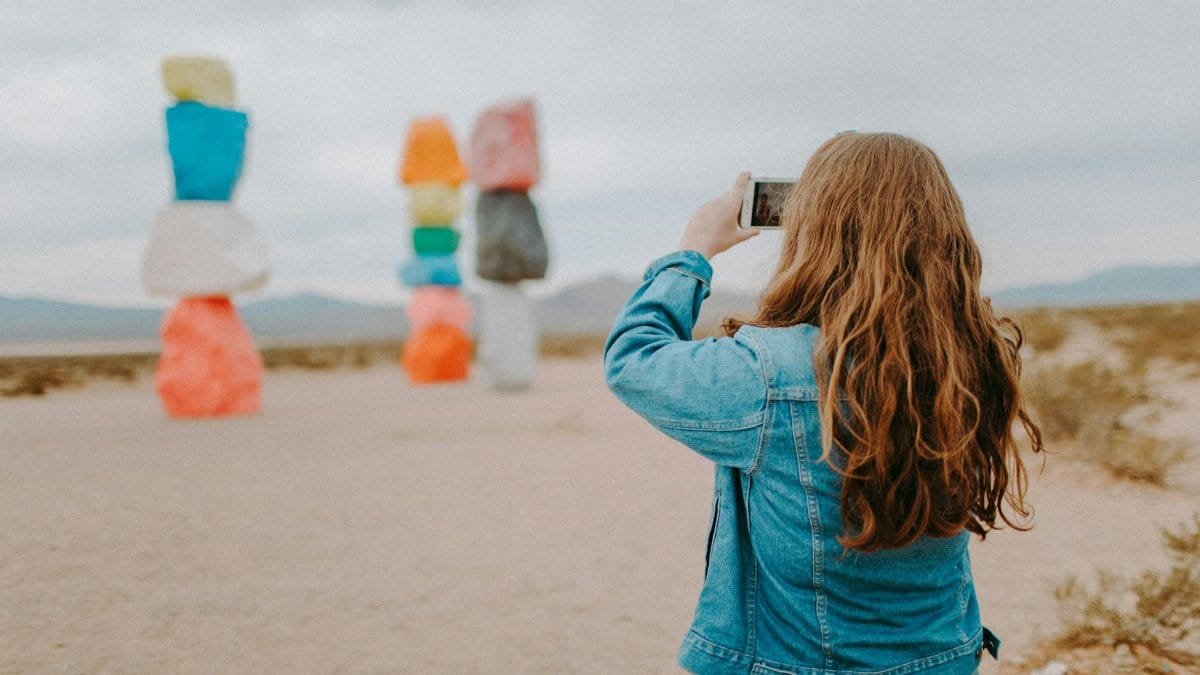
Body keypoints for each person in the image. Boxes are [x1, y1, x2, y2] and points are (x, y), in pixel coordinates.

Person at [604, 132, 1043, 674]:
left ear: (814, 232)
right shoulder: (973, 357)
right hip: (943, 660)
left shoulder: (768, 373)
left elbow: (633, 358)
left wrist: (693, 251)